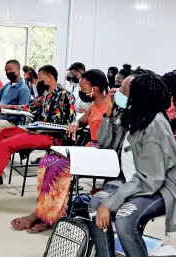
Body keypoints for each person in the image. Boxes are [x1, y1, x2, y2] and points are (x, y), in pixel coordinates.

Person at [89, 70, 176, 257]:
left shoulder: (153, 125)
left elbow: (151, 180)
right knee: (94, 206)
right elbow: (106, 143)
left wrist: (110, 203)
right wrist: (109, 113)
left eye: (124, 90)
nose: (117, 92)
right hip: (133, 178)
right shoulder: (133, 115)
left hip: (163, 187)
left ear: (139, 96)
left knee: (124, 218)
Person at [10, 69, 109, 233]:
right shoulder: (94, 105)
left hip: (101, 151)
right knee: (46, 162)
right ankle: (43, 212)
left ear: (95, 88)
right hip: (89, 148)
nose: (81, 91)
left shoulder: (109, 106)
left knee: (59, 168)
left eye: (84, 88)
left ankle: (48, 217)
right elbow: (82, 121)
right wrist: (76, 124)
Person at [0, 65, 76, 202]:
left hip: (52, 136)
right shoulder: (46, 95)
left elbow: (68, 125)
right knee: (4, 133)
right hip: (38, 130)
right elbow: (28, 107)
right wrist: (8, 107)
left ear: (50, 78)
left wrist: (41, 128)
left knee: (5, 144)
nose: (37, 82)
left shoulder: (67, 97)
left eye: (40, 79)